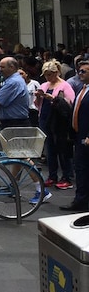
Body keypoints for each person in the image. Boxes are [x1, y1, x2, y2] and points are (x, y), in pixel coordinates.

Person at [37, 60, 76, 190]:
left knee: (62, 149)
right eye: (46, 75)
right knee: (50, 149)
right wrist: (38, 97)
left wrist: (53, 99)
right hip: (45, 118)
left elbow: (69, 104)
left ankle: (66, 176)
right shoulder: (44, 85)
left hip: (59, 121)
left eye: (50, 74)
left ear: (56, 73)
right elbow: (37, 105)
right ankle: (52, 175)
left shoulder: (65, 86)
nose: (48, 77)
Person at [61, 64, 89, 212]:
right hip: (78, 136)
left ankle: (82, 200)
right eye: (79, 71)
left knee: (84, 168)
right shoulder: (82, 88)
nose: (80, 73)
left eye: (84, 71)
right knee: (80, 169)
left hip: (86, 137)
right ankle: (81, 200)